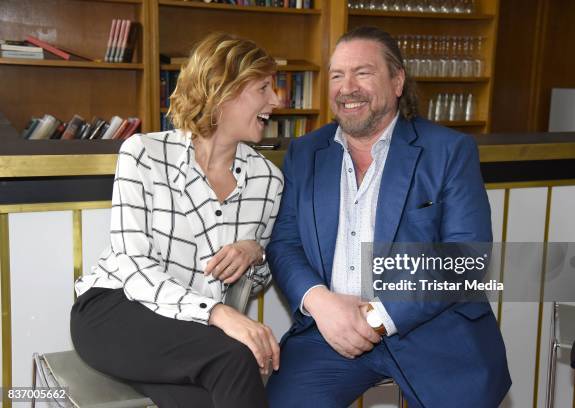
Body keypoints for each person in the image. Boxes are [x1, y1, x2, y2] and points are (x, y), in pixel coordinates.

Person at [266, 26, 511, 407]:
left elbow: (466, 257)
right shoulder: (305, 153)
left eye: (362, 72)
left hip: (435, 332)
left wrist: (379, 317)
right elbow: (285, 243)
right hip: (332, 332)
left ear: (397, 81)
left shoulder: (448, 151)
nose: (347, 87)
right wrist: (320, 302)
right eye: (336, 75)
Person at [71, 33, 284, 408]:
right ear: (223, 89)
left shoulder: (268, 180)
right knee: (235, 358)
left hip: (191, 332)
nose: (277, 99)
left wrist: (255, 254)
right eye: (264, 87)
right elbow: (133, 265)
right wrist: (217, 314)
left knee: (215, 389)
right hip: (115, 309)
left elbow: (255, 281)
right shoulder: (143, 154)